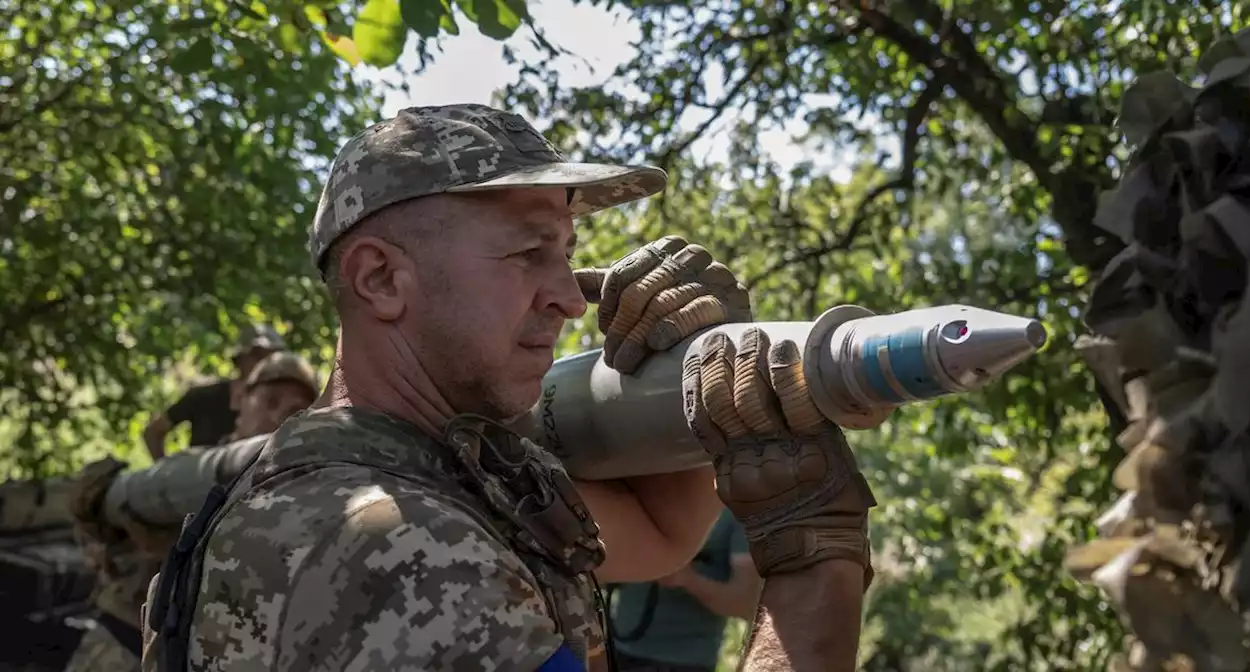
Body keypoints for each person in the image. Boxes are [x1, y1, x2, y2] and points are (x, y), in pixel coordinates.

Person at [139, 104, 882, 672]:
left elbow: (658, 538)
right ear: (382, 278)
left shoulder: (398, 466)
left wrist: (685, 376)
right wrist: (813, 561)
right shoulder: (403, 549)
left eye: (568, 254)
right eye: (530, 252)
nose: (569, 296)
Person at [61, 351, 322, 672]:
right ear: (240, 398)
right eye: (271, 400)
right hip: (124, 644)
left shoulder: (302, 490)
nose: (280, 416)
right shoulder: (188, 473)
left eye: (296, 410)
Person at [609, 508, 760, 672]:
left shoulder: (737, 511)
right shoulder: (644, 495)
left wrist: (687, 579)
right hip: (616, 650)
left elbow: (745, 604)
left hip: (684, 662)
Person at [141, 323, 285, 460]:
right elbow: (153, 432)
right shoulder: (206, 396)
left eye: (272, 357)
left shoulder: (284, 404)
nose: (265, 362)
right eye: (258, 355)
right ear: (240, 359)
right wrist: (168, 475)